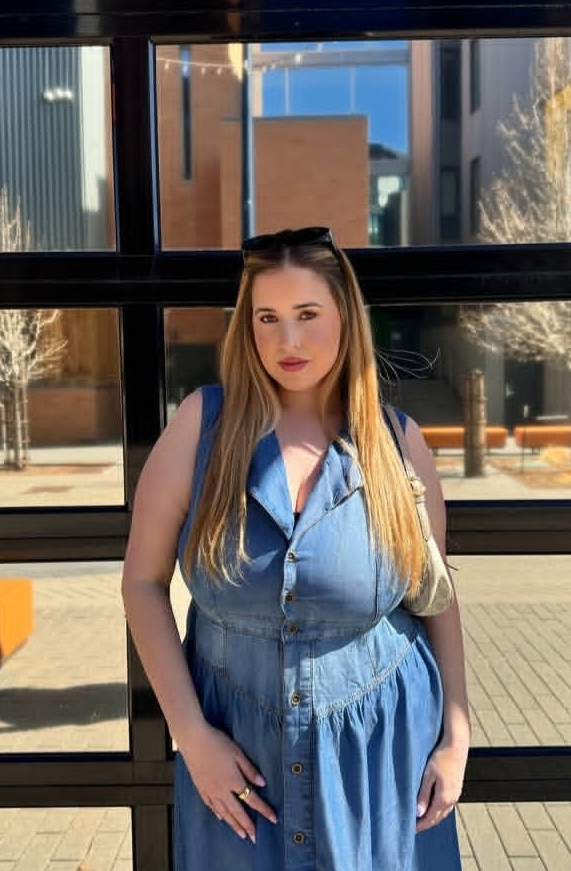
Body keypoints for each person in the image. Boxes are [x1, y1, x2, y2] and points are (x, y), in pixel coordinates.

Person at [121, 226, 470, 871]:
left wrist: (457, 735)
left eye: (308, 314)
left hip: (382, 757)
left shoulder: (397, 444)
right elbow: (142, 583)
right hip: (238, 760)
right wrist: (191, 736)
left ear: (345, 317)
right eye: (268, 318)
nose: (288, 340)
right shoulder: (202, 427)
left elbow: (435, 594)